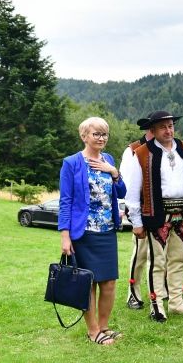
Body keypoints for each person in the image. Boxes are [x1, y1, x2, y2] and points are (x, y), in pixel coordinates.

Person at [125, 110, 183, 322]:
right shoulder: (140, 153)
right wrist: (137, 222)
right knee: (157, 261)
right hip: (157, 214)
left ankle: (176, 301)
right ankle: (156, 305)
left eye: (170, 126)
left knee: (178, 259)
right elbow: (132, 191)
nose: (168, 130)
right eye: (163, 127)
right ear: (153, 130)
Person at [58, 117, 127, 345]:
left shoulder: (108, 160)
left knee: (108, 282)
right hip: (83, 233)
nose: (101, 138)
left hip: (107, 231)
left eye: (104, 134)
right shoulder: (72, 163)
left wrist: (114, 172)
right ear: (84, 136)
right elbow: (65, 201)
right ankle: (93, 331)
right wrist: (65, 235)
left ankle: (105, 327)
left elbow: (121, 190)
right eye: (96, 134)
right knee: (88, 283)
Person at [122, 116, 155, 310]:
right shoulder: (132, 150)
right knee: (141, 254)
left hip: (162, 211)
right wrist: (134, 217)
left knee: (161, 255)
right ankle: (133, 294)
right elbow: (127, 185)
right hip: (141, 209)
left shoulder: (168, 148)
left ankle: (160, 290)